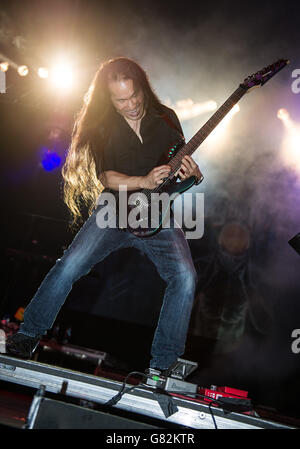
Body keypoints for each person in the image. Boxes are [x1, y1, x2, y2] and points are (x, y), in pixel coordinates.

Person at [6, 57, 203, 372]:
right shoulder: (102, 125)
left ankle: (163, 364)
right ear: (109, 99)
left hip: (157, 217)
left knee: (185, 278)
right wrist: (142, 181)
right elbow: (107, 178)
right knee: (69, 265)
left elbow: (179, 172)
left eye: (134, 96)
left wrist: (194, 175)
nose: (131, 105)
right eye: (121, 100)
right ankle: (27, 335)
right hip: (114, 210)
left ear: (143, 88)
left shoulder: (167, 118)